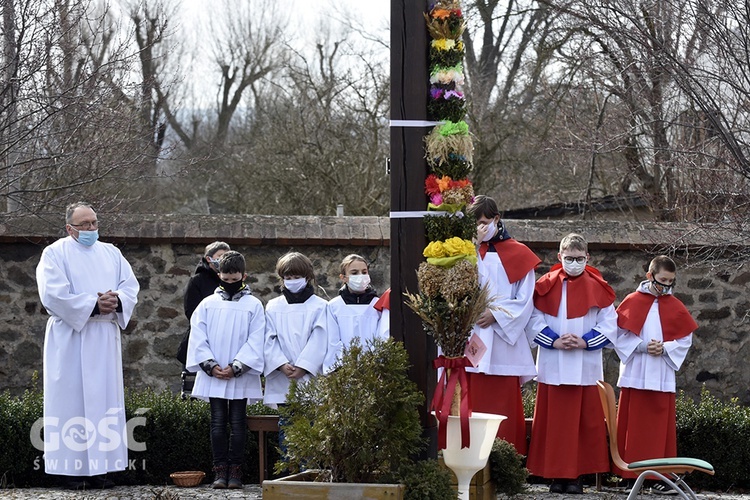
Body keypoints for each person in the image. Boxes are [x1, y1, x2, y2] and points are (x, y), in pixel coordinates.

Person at [35, 201, 140, 490]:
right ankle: (71, 471)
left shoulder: (111, 253)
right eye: (84, 225)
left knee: (104, 403)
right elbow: (52, 294)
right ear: (70, 228)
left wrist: (116, 300)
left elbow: (130, 287)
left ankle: (102, 470)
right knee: (71, 403)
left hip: (103, 338)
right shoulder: (54, 253)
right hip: (71, 338)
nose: (91, 229)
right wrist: (92, 304)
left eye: (94, 223)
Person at [525, 233, 617, 494]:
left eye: (579, 258)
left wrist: (585, 341)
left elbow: (610, 324)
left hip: (584, 365)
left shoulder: (599, 286)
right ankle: (556, 477)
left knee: (583, 425)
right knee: (554, 425)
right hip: (553, 363)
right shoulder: (544, 285)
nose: (574, 262)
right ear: (559, 257)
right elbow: (532, 319)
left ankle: (576, 477)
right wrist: (553, 340)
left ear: (587, 258)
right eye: (569, 258)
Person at [611, 255, 697, 493]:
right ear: (650, 276)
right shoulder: (632, 301)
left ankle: (660, 477)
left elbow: (684, 339)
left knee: (659, 428)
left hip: (661, 374)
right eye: (662, 280)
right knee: (632, 426)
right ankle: (629, 476)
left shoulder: (676, 305)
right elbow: (618, 334)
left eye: (671, 281)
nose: (666, 286)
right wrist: (641, 346)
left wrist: (665, 348)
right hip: (636, 371)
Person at [465, 195, 541, 455]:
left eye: (485, 222)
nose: (480, 228)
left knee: (502, 405)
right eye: (474, 223)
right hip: (470, 334)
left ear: (497, 219)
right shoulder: (464, 253)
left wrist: (495, 314)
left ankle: (506, 460)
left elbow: (525, 299)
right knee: (470, 402)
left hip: (502, 342)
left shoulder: (517, 253)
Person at [186, 251, 265, 489]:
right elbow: (198, 335)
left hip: (238, 373)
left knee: (238, 423)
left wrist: (237, 366)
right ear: (218, 275)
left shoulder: (253, 305)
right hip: (215, 373)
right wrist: (210, 365)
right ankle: (220, 471)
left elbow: (256, 338)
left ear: (244, 276)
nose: (230, 284)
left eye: (235, 280)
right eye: (226, 279)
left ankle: (236, 473)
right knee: (218, 423)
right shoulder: (207, 304)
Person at [263, 251, 327, 407]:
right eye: (288, 278)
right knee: (286, 425)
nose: (292, 281)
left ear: (307, 277)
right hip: (283, 377)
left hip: (310, 377)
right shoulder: (273, 306)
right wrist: (281, 364)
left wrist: (304, 366)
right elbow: (269, 338)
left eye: (297, 277)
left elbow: (320, 338)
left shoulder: (320, 306)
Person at [323, 254, 384, 373]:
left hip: (373, 369)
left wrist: (373, 361)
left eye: (364, 272)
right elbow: (333, 340)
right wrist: (343, 365)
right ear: (343, 277)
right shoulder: (334, 306)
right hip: (344, 370)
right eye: (354, 273)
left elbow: (382, 336)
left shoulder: (378, 305)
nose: (360, 276)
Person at [176, 241, 230, 372]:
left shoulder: (230, 281)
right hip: (202, 338)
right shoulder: (197, 281)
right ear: (209, 259)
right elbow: (192, 312)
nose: (224, 260)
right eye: (220, 256)